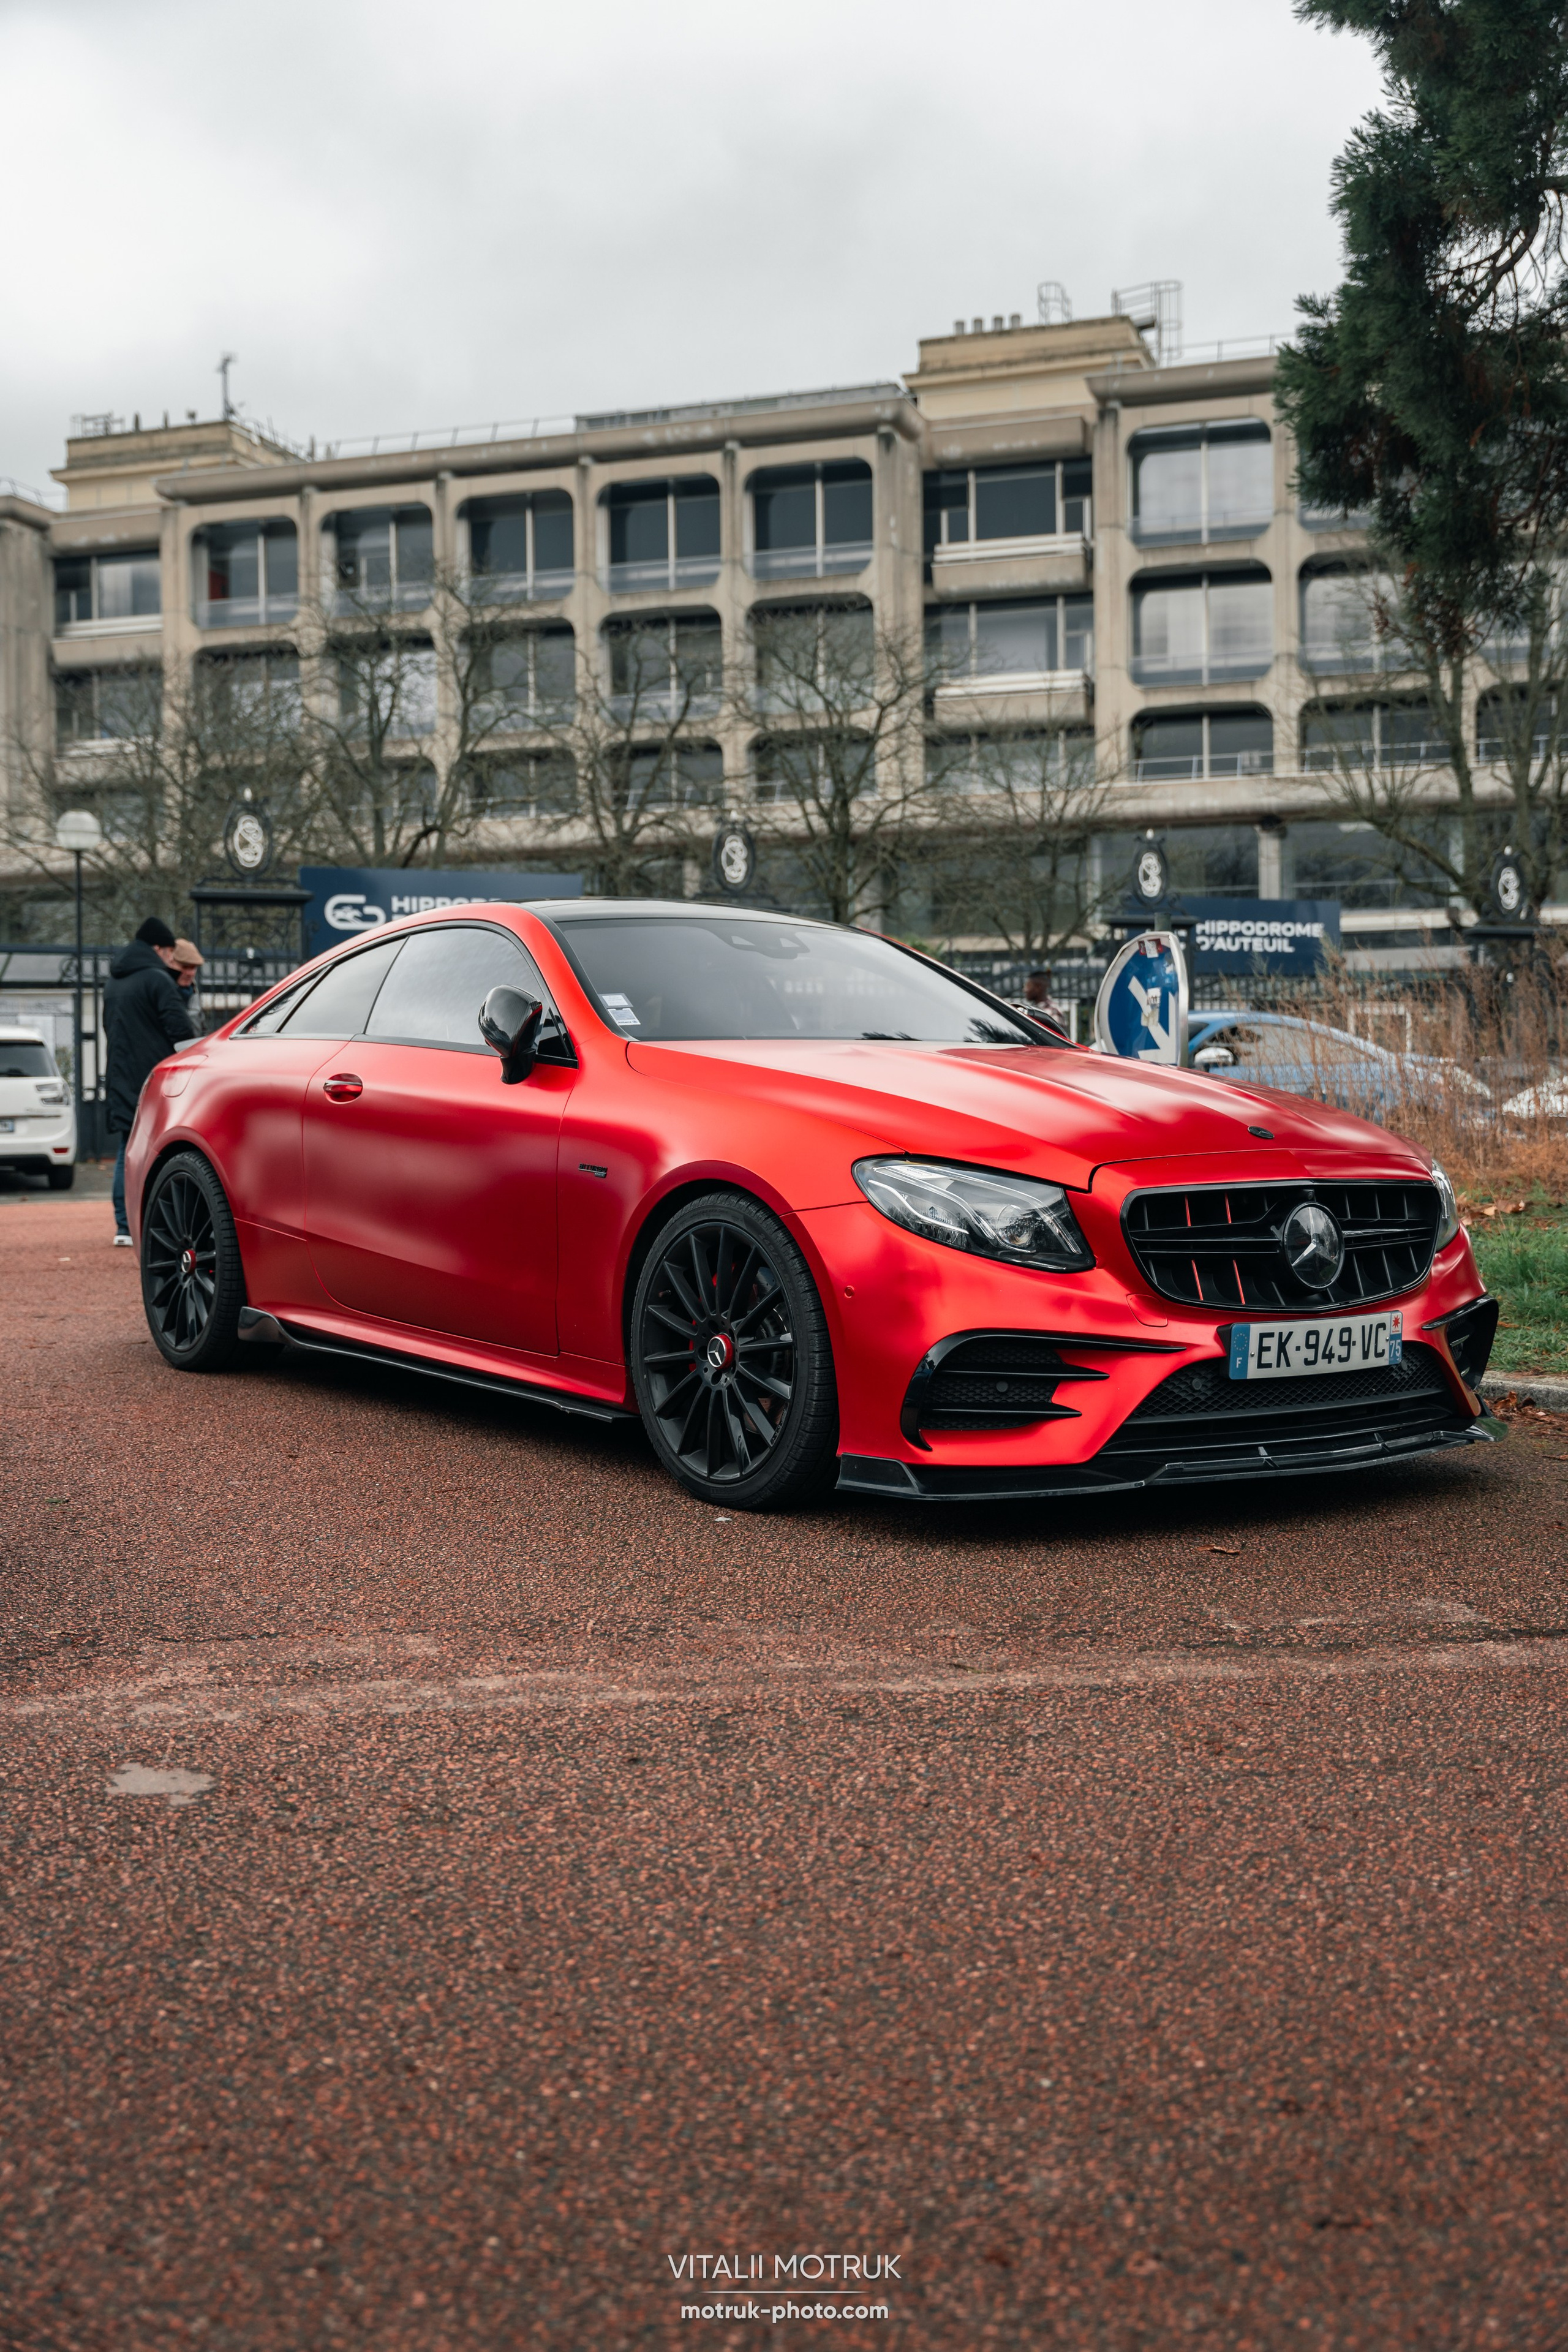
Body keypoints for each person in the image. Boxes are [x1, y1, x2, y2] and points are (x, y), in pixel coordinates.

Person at [102, 916, 195, 1246]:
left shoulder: (114, 981)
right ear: (158, 949)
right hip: (153, 1077)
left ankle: (124, 1226)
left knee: (125, 1150)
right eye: (170, 953)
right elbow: (180, 1031)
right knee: (159, 1151)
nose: (172, 960)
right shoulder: (157, 979)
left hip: (119, 1075)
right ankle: (159, 1224)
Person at [170, 938, 205, 1032]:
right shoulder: (162, 991)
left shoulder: (193, 989)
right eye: (185, 967)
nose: (190, 973)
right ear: (171, 963)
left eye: (193, 967)